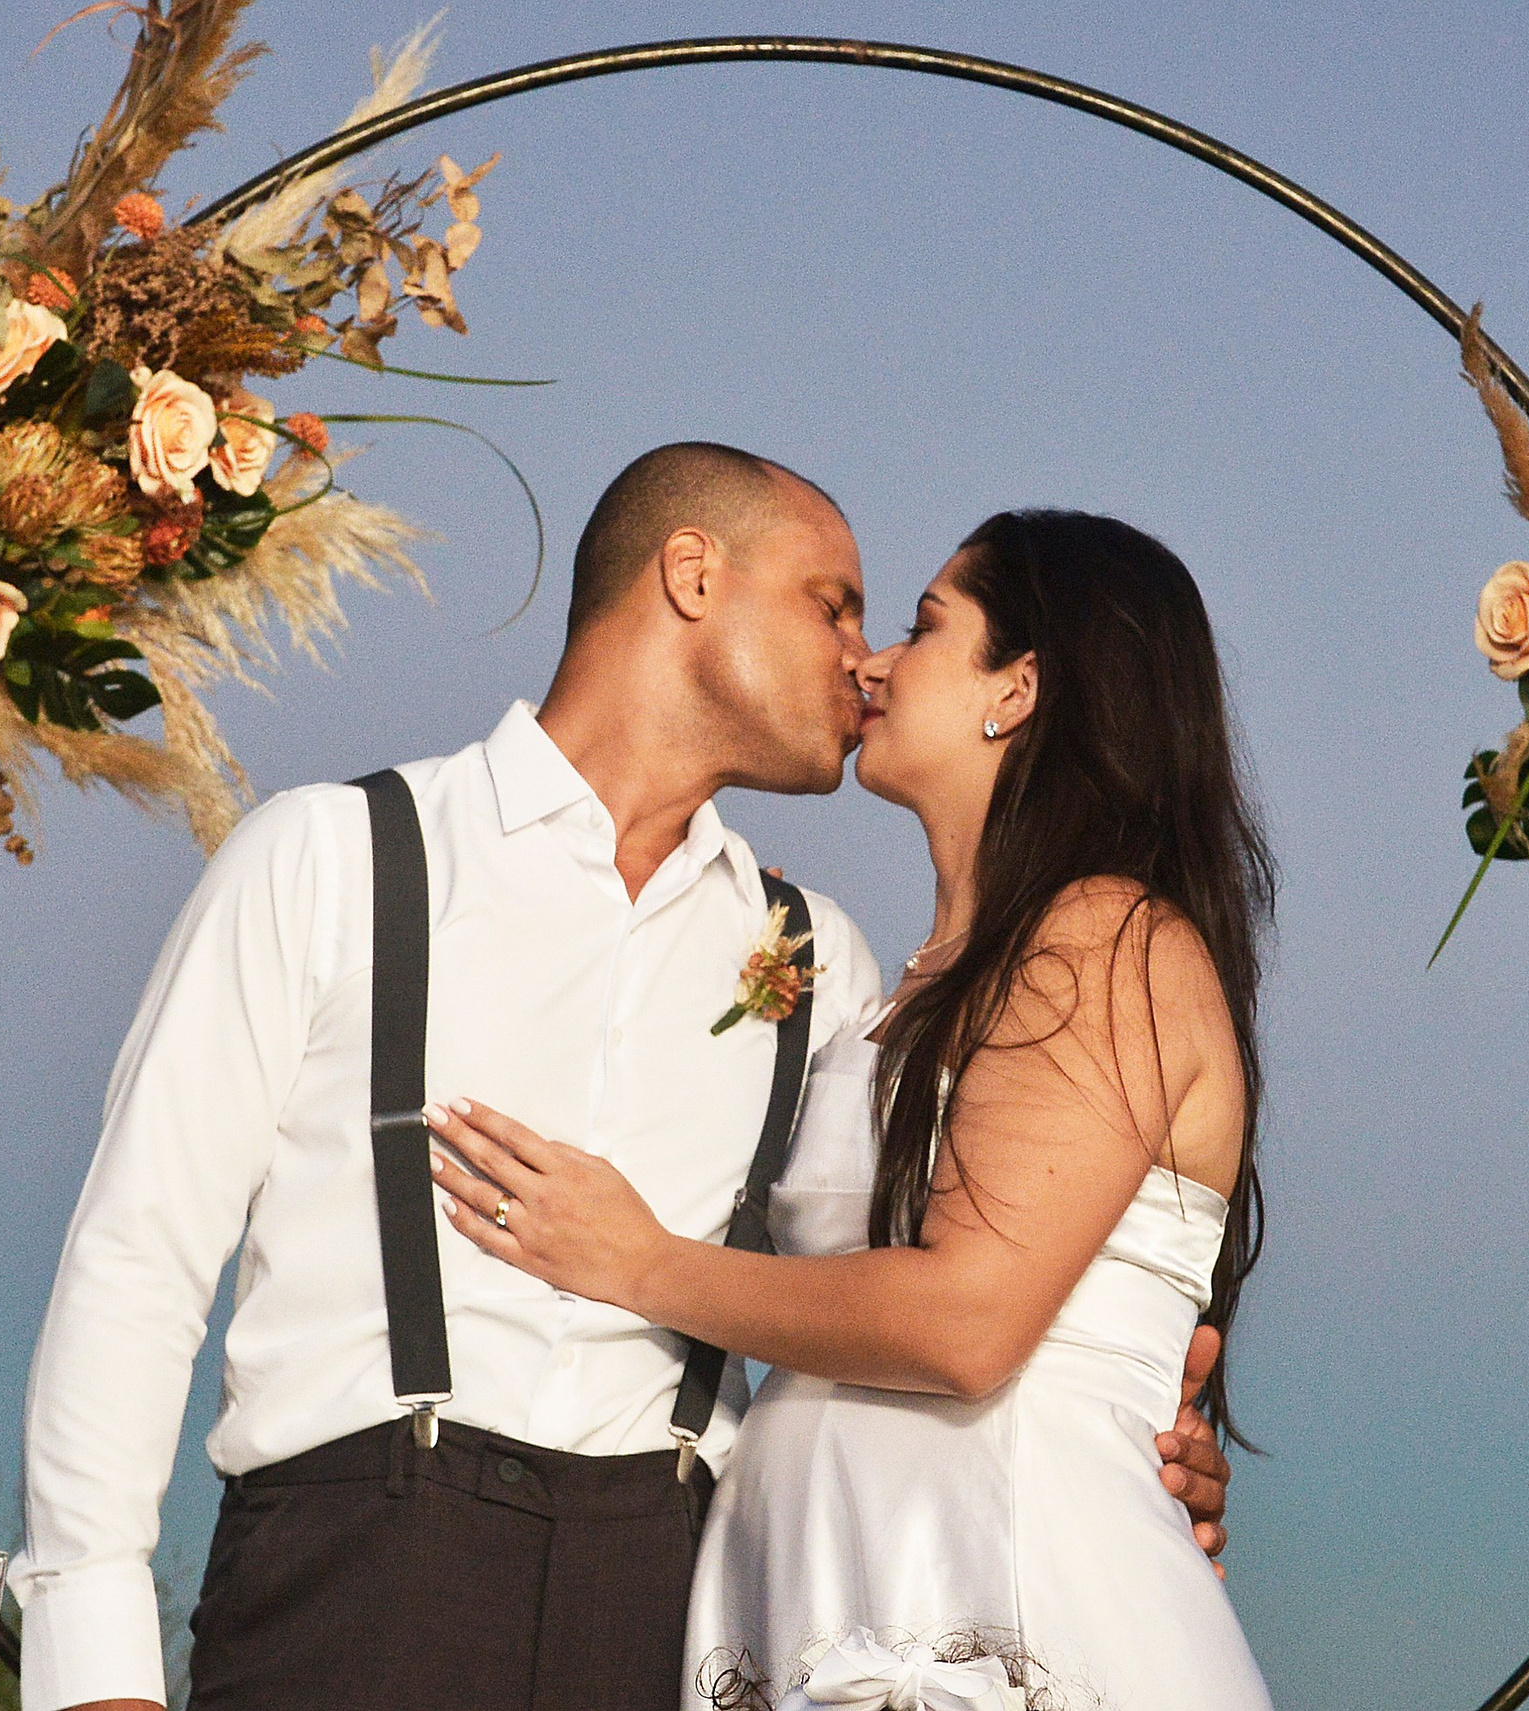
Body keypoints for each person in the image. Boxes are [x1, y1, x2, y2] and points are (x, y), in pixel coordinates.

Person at [10, 453, 1235, 1711]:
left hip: (665, 1612)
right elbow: (138, 1259)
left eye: (895, 623)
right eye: (835, 605)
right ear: (693, 575)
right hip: (351, 1586)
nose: (864, 660)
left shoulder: (826, 965)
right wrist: (91, 1664)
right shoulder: (333, 859)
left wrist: (1127, 1439)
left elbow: (925, 1272)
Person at [426, 509, 1280, 1711]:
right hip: (819, 1591)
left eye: (925, 628)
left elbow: (966, 1320)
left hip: (989, 1594)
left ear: (1018, 688)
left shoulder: (1103, 939)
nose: (872, 661)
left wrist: (639, 1263)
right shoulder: (902, 981)